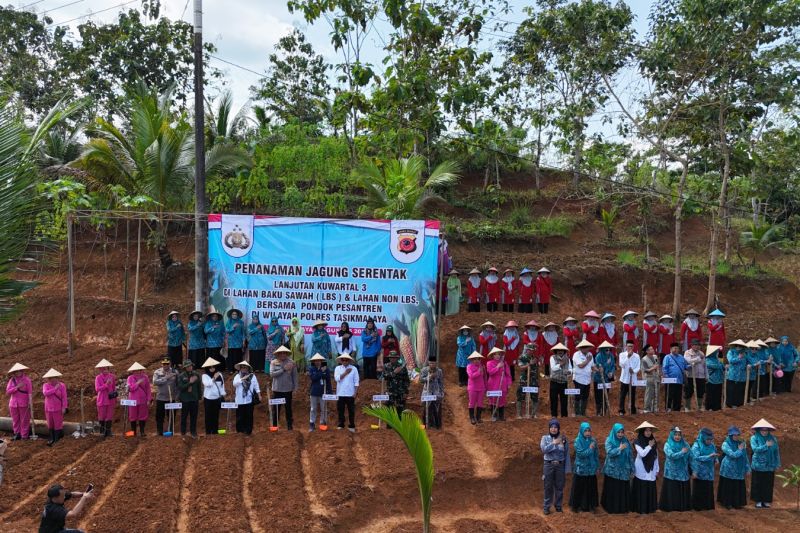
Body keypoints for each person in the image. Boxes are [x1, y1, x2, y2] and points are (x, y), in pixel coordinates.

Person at [601, 423, 634, 514]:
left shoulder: (626, 441)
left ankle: (622, 508)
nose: (620, 434)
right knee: (613, 489)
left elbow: (630, 455)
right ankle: (611, 508)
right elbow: (609, 453)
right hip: (612, 471)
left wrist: (632, 468)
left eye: (622, 432)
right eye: (618, 432)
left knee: (622, 489)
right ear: (614, 432)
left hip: (624, 471)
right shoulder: (609, 440)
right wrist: (619, 449)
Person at [541, 419, 570, 514]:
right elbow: (544, 450)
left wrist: (567, 468)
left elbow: (566, 453)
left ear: (558, 429)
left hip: (560, 465)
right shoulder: (545, 438)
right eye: (552, 427)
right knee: (548, 486)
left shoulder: (563, 439)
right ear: (549, 428)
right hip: (548, 465)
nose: (553, 429)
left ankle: (558, 506)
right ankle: (546, 507)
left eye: (555, 427)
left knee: (559, 487)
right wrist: (553, 443)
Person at [750, 418, 781, 508]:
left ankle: (766, 500)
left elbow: (776, 452)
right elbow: (755, 449)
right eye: (762, 430)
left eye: (766, 430)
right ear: (759, 430)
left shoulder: (773, 439)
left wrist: (777, 463)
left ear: (768, 430)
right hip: (758, 465)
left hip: (770, 465)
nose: (764, 432)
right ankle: (758, 501)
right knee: (758, 483)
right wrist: (765, 445)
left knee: (768, 483)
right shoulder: (754, 438)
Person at [718, 426, 750, 510]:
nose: (736, 436)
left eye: (737, 435)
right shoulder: (725, 444)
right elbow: (732, 455)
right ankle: (727, 503)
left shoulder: (741, 443)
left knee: (737, 486)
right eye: (734, 435)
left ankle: (737, 503)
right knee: (729, 486)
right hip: (728, 469)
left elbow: (745, 456)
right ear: (730, 435)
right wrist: (739, 450)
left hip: (739, 469)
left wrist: (747, 468)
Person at [570, 422, 599, 513]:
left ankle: (591, 506)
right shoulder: (577, 441)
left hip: (591, 469)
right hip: (581, 469)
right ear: (581, 431)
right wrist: (590, 449)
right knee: (579, 488)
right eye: (585, 431)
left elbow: (596, 454)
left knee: (591, 488)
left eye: (589, 431)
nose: (587, 433)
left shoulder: (593, 441)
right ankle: (576, 506)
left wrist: (597, 466)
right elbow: (581, 454)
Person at [659, 426, 691, 512]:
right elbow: (671, 456)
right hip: (671, 473)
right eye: (675, 434)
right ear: (672, 435)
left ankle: (681, 508)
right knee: (672, 490)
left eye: (679, 435)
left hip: (683, 473)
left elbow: (690, 457)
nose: (677, 437)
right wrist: (682, 452)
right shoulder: (667, 445)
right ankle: (670, 507)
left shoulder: (685, 444)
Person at [631, 421, 659, 515]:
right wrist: (649, 446)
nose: (648, 432)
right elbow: (642, 454)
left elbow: (656, 456)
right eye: (646, 430)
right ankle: (641, 509)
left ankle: (650, 508)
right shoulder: (637, 442)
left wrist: (657, 469)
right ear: (642, 431)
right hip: (641, 469)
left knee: (650, 487)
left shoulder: (653, 441)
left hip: (651, 469)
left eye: (650, 430)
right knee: (642, 487)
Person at [270, 346, 298, 430]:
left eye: (284, 353)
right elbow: (272, 374)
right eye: (281, 353)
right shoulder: (273, 362)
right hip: (277, 390)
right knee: (276, 409)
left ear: (286, 354)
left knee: (288, 408)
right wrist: (283, 369)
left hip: (288, 390)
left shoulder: (292, 363)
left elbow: (295, 376)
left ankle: (289, 426)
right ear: (278, 354)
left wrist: (295, 388)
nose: (282, 354)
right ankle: (274, 426)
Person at [690, 427, 718, 511]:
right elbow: (696, 457)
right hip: (699, 471)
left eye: (711, 439)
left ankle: (707, 506)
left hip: (709, 472)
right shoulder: (697, 445)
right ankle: (697, 507)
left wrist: (716, 460)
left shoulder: (712, 445)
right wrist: (709, 456)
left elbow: (714, 453)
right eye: (707, 439)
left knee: (708, 488)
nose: (709, 441)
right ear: (703, 438)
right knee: (699, 488)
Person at [152, 358, 178, 436]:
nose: (165, 365)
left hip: (171, 398)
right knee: (160, 416)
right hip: (161, 398)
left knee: (171, 415)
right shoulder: (157, 372)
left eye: (167, 364)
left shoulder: (175, 372)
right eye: (164, 364)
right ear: (162, 364)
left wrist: (177, 396)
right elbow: (155, 382)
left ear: (170, 364)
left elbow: (178, 384)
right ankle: (159, 431)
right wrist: (166, 378)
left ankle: (171, 431)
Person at [6, 362, 32, 440]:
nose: (18, 373)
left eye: (19, 371)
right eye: (16, 371)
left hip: (24, 403)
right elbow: (8, 391)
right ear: (14, 372)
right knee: (15, 419)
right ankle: (17, 434)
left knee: (24, 419)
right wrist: (17, 387)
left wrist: (30, 402)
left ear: (22, 371)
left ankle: (24, 435)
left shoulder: (27, 380)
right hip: (13, 403)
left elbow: (30, 392)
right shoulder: (12, 380)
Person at [42, 369, 68, 446]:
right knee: (50, 423)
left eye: (54, 378)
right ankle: (52, 438)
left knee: (58, 423)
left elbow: (64, 397)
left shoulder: (62, 385)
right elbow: (45, 393)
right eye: (50, 378)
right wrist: (55, 389)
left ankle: (57, 439)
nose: (52, 380)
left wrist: (64, 407)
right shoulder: (45, 385)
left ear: (57, 378)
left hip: (58, 408)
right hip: (48, 408)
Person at [233, 361, 259, 435]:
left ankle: (248, 431)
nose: (244, 368)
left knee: (249, 416)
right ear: (240, 368)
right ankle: (240, 431)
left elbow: (256, 386)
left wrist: (259, 395)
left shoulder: (252, 376)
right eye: (242, 367)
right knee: (240, 416)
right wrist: (242, 379)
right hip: (239, 400)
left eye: (245, 367)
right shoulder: (237, 376)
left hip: (249, 399)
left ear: (248, 368)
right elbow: (234, 384)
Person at [334, 353, 359, 432]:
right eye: (343, 360)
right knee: (340, 410)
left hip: (350, 393)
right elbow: (337, 378)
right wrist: (346, 373)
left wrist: (355, 392)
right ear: (341, 361)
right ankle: (341, 424)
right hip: (340, 393)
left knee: (351, 410)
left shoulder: (354, 369)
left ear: (349, 361)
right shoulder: (337, 368)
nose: (344, 361)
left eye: (346, 360)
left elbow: (356, 382)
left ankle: (352, 425)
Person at [201, 357, 226, 436]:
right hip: (208, 398)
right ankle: (208, 432)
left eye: (213, 367)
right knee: (208, 415)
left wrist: (223, 394)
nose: (212, 369)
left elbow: (222, 385)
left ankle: (215, 431)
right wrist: (214, 378)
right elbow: (208, 384)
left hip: (217, 398)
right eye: (210, 367)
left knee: (216, 415)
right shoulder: (204, 375)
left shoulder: (219, 374)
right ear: (207, 368)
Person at [308, 353, 332, 431]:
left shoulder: (326, 369)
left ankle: (322, 422)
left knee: (324, 408)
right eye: (316, 360)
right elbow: (313, 378)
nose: (317, 362)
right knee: (313, 408)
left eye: (319, 360)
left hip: (323, 392)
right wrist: (321, 372)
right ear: (314, 361)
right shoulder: (311, 369)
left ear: (321, 361)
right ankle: (312, 423)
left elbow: (328, 380)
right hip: (314, 391)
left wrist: (329, 391)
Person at [486, 347, 511, 421]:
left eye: (499, 354)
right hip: (493, 383)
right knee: (493, 398)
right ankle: (494, 415)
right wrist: (497, 367)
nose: (497, 356)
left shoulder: (504, 363)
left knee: (502, 399)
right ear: (492, 355)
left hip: (503, 383)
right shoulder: (489, 363)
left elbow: (508, 374)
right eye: (495, 354)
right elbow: (490, 372)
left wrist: (509, 383)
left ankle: (501, 416)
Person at [177, 360, 201, 438]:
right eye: (187, 366)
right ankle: (183, 432)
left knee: (194, 416)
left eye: (190, 366)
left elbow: (199, 387)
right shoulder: (181, 376)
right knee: (184, 416)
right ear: (185, 367)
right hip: (185, 399)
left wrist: (199, 397)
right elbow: (180, 387)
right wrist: (190, 383)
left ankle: (193, 432)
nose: (189, 367)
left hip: (194, 399)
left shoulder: (196, 375)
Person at [126, 362, 150, 436]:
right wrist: (137, 383)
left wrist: (149, 399)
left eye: (139, 370)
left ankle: (142, 432)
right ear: (133, 371)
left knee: (143, 415)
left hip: (143, 399)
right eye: (135, 370)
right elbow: (130, 389)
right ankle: (133, 432)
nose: (137, 372)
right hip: (133, 400)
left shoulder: (145, 377)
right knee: (132, 416)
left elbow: (148, 389)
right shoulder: (130, 378)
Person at [420, 355, 444, 429]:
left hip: (436, 393)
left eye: (433, 363)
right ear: (428, 363)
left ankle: (437, 426)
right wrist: (428, 378)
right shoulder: (424, 370)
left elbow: (441, 382)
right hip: (427, 392)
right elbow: (421, 380)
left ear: (436, 363)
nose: (432, 365)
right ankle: (423, 426)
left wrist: (441, 392)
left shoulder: (439, 371)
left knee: (436, 409)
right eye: (430, 363)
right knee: (425, 409)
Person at [94, 359, 116, 438]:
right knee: (102, 415)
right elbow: (97, 389)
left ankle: (108, 431)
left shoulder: (112, 376)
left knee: (109, 415)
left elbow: (114, 387)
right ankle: (102, 431)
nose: (105, 370)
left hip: (110, 398)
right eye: (103, 369)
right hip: (102, 399)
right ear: (100, 369)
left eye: (106, 368)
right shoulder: (98, 378)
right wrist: (106, 384)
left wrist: (115, 396)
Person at [591, 340, 615, 416]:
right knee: (598, 395)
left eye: (609, 349)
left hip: (607, 379)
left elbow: (613, 366)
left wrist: (611, 372)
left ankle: (604, 410)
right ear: (603, 350)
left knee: (605, 394)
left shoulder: (611, 356)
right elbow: (599, 367)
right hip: (598, 378)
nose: (608, 351)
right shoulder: (598, 356)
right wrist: (606, 363)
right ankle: (598, 411)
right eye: (606, 350)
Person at [683, 338, 707, 411]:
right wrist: (698, 358)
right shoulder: (687, 352)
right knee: (688, 391)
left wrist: (706, 375)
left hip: (701, 376)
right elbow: (688, 361)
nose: (697, 346)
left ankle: (700, 406)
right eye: (695, 345)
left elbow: (704, 365)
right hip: (691, 376)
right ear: (692, 345)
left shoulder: (701, 353)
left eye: (698, 345)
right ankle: (687, 407)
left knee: (701, 392)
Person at [516, 344, 539, 418]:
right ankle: (519, 414)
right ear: (527, 349)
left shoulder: (535, 358)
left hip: (533, 380)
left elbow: (537, 370)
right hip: (524, 380)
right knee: (520, 396)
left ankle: (533, 414)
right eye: (530, 350)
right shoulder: (522, 357)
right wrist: (529, 364)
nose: (531, 351)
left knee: (535, 396)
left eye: (533, 350)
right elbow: (521, 368)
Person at [571, 339, 593, 417]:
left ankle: (583, 412)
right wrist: (587, 360)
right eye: (584, 347)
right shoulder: (576, 355)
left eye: (587, 347)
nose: (586, 349)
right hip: (578, 379)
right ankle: (577, 413)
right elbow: (580, 366)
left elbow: (592, 366)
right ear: (580, 348)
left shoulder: (590, 354)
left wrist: (598, 369)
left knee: (585, 396)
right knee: (578, 396)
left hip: (587, 379)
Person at [662, 343, 687, 412]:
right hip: (670, 379)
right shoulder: (667, 357)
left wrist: (691, 366)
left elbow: (685, 366)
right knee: (669, 394)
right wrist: (666, 376)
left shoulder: (681, 357)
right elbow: (665, 367)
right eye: (675, 348)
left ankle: (677, 409)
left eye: (677, 348)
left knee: (678, 395)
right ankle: (668, 408)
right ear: (671, 349)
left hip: (679, 380)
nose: (676, 350)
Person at [549, 344, 571, 418]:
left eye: (562, 350)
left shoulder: (567, 359)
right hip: (554, 381)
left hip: (564, 382)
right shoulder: (552, 357)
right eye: (558, 350)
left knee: (564, 400)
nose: (560, 351)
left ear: (564, 351)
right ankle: (554, 415)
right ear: (556, 351)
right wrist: (560, 364)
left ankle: (564, 415)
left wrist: (570, 372)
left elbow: (570, 368)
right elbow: (553, 368)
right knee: (553, 399)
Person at [618, 340, 640, 415]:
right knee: (623, 395)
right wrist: (628, 356)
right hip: (624, 378)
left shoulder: (637, 356)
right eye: (629, 346)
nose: (630, 348)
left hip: (633, 378)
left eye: (631, 346)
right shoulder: (622, 355)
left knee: (632, 395)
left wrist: (633, 371)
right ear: (626, 347)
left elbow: (638, 367)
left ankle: (632, 410)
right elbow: (622, 365)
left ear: (633, 347)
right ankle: (621, 410)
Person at [725, 339, 748, 407]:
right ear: (735, 346)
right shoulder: (731, 352)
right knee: (731, 390)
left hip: (742, 375)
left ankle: (739, 404)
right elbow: (730, 360)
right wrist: (738, 357)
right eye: (737, 345)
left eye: (740, 346)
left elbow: (748, 361)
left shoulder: (745, 353)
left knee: (740, 389)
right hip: (732, 375)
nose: (739, 347)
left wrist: (749, 364)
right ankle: (730, 404)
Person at [466, 352, 487, 424]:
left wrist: (486, 387)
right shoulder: (469, 366)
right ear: (471, 360)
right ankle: (472, 418)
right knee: (472, 403)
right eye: (474, 359)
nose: (476, 360)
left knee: (480, 403)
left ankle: (478, 417)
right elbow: (471, 376)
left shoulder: (482, 366)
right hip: (472, 388)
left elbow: (485, 377)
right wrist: (478, 372)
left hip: (481, 388)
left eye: (478, 359)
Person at [704, 345, 725, 411]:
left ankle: (717, 407)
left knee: (718, 394)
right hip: (711, 380)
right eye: (716, 352)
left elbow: (722, 366)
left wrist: (723, 365)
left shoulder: (717, 360)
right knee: (710, 394)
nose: (717, 353)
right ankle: (709, 407)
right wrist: (720, 364)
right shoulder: (707, 360)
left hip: (719, 380)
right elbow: (715, 366)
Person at [640, 345, 659, 413]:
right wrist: (653, 368)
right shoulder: (644, 359)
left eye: (652, 349)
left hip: (656, 378)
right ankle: (647, 409)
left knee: (656, 393)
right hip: (649, 379)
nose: (653, 350)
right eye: (651, 349)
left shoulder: (655, 357)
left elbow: (657, 365)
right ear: (647, 351)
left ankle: (655, 408)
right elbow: (645, 370)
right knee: (649, 394)